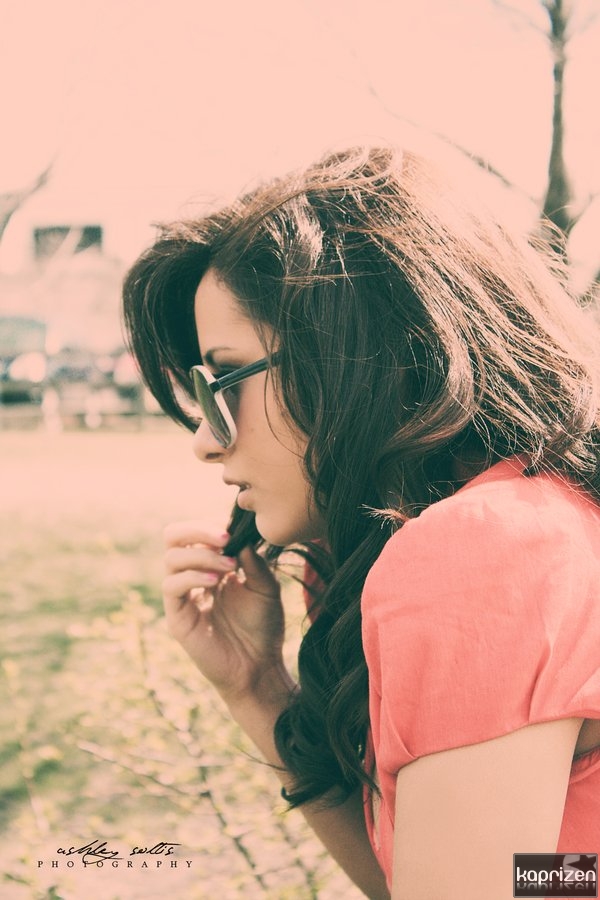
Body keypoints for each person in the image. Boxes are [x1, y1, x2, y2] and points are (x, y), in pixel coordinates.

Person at [122, 146, 600, 899]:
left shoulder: (481, 549)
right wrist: (257, 688)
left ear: (354, 358)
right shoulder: (545, 515)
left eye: (224, 381)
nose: (206, 440)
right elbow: (495, 878)